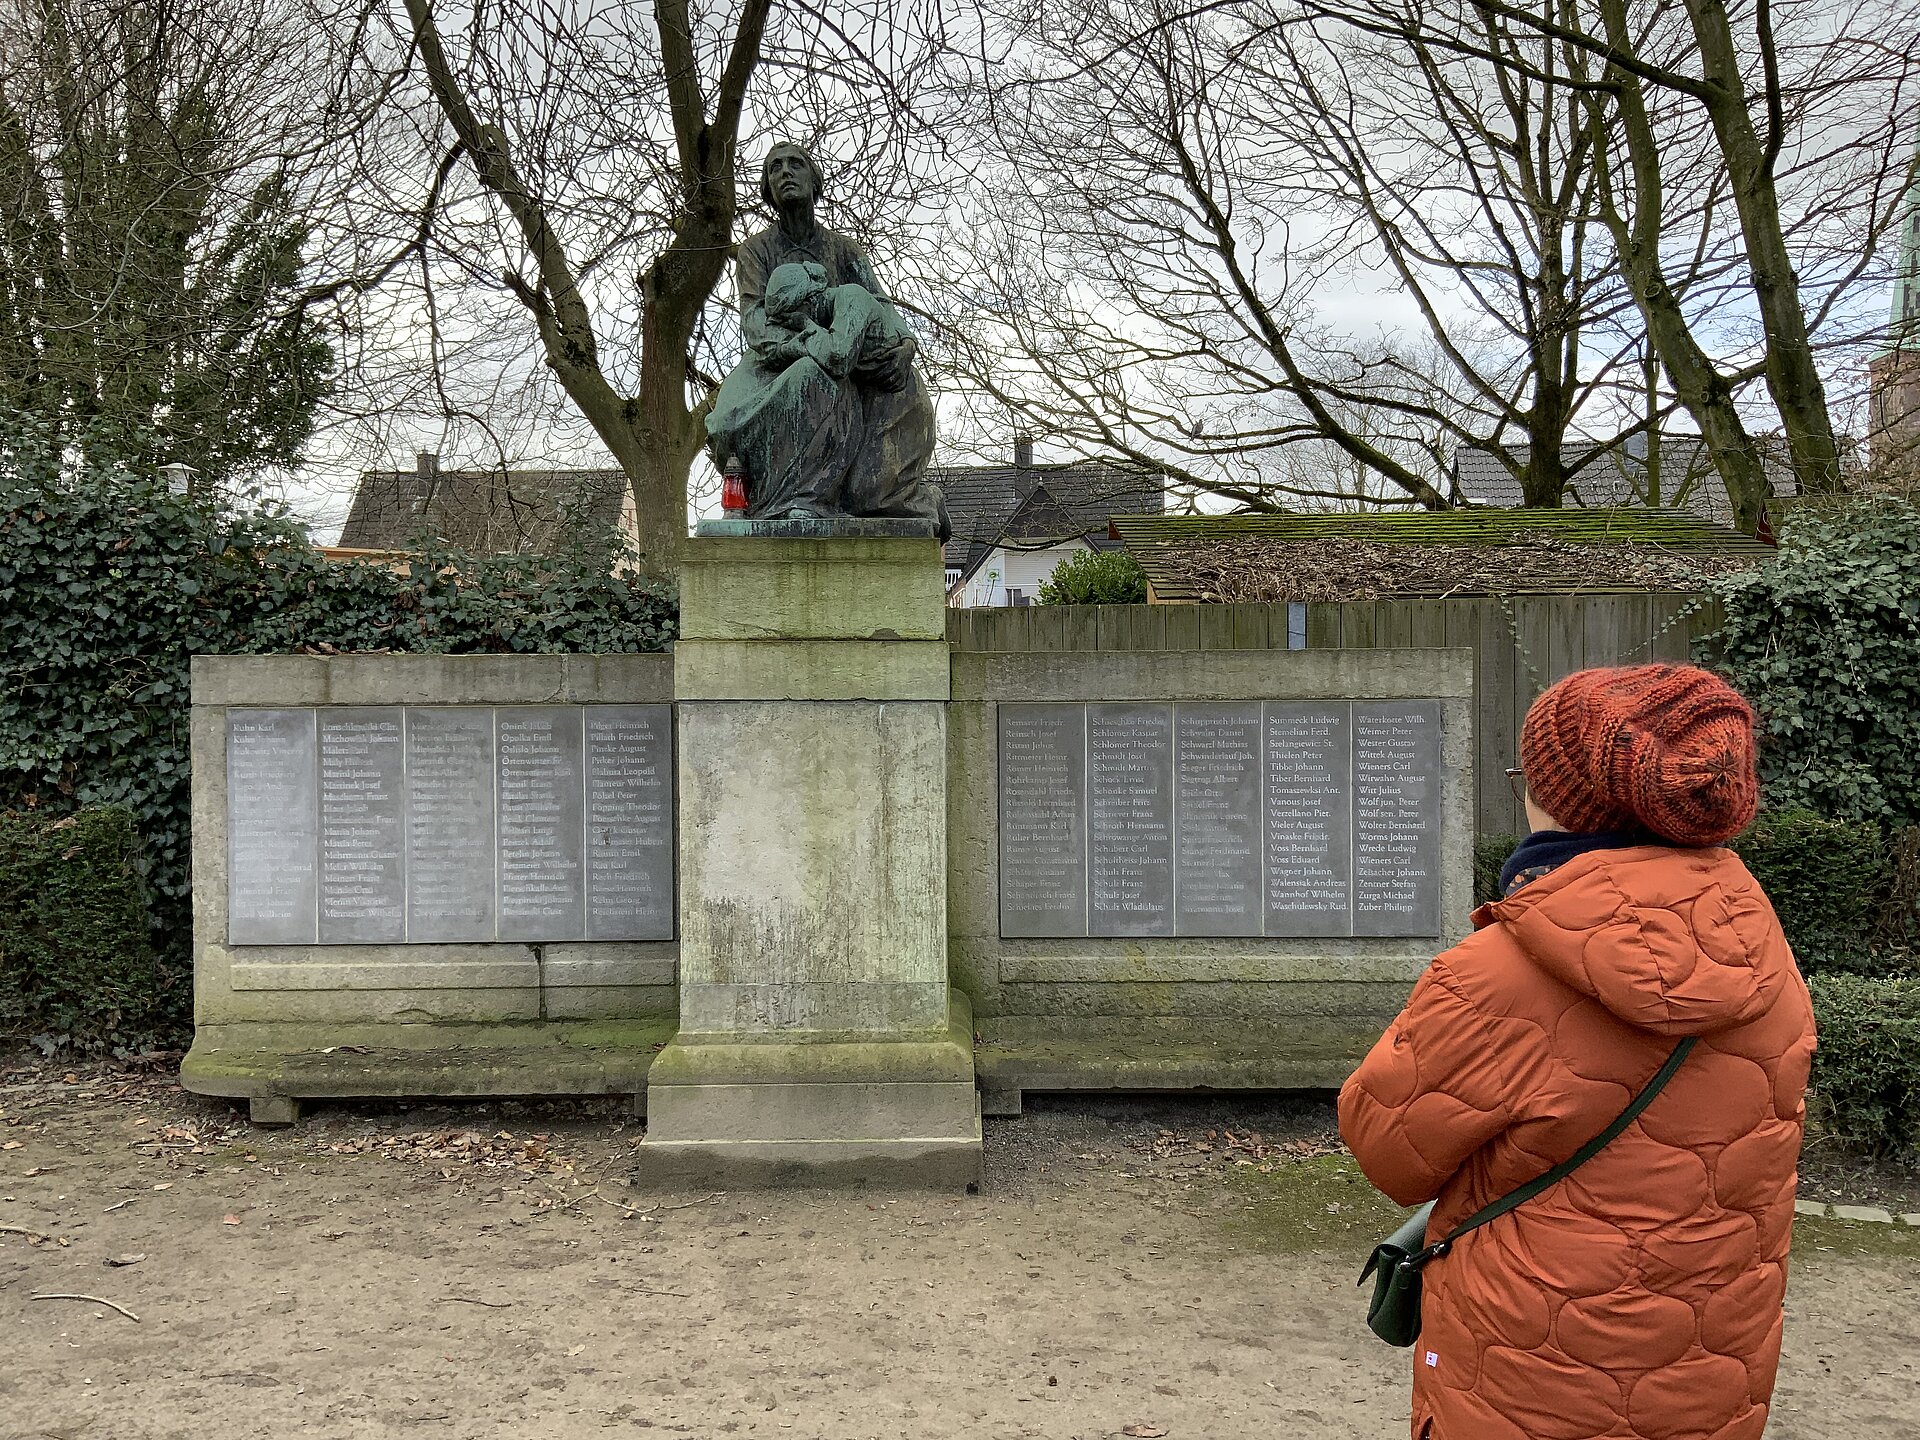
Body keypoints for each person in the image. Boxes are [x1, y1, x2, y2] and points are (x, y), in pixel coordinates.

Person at [1339, 663, 1816, 1440]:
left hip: (1529, 1376)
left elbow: (1388, 1151)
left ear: (1559, 800)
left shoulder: (1502, 972)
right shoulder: (1764, 951)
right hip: (1706, 1370)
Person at [705, 141, 947, 535]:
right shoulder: (756, 251)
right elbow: (755, 324)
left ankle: (897, 494)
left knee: (899, 388)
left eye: (795, 164)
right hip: (777, 365)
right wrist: (807, 344)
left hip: (844, 357)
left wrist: (905, 345)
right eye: (774, 168)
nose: (785, 172)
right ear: (767, 188)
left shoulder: (842, 249)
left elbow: (880, 304)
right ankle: (800, 499)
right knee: (810, 378)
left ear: (815, 181)